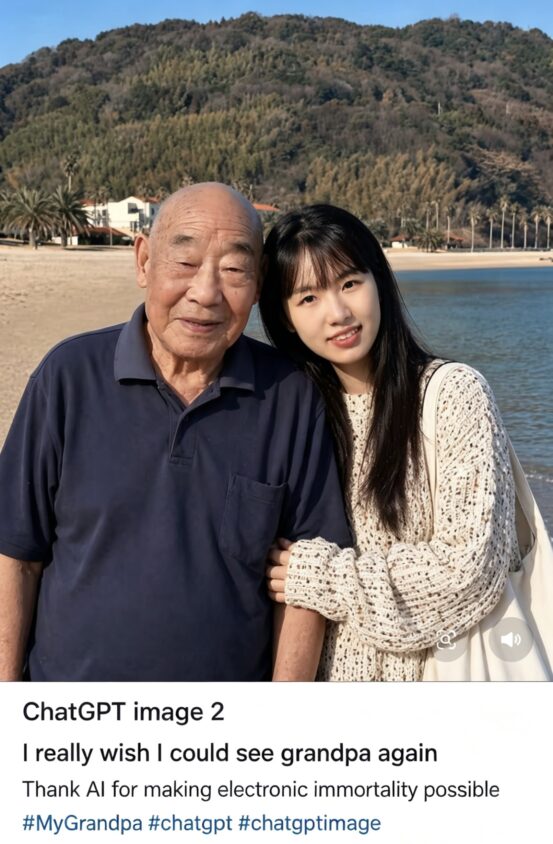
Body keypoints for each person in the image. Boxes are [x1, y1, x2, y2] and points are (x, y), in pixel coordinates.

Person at [0, 185, 351, 681]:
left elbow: (304, 588)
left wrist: (280, 727)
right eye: (184, 263)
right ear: (144, 261)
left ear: (257, 284)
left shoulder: (290, 396)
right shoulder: (68, 377)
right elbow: (16, 556)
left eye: (233, 270)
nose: (206, 292)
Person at [260, 204, 519, 681]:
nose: (338, 314)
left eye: (350, 284)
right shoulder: (295, 415)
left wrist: (322, 577)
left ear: (378, 280)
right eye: (308, 298)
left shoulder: (453, 395)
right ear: (286, 318)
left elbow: (471, 569)